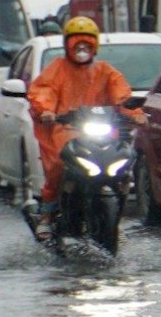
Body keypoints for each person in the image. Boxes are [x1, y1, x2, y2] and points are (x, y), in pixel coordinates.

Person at [25, 16, 134, 221]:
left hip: (101, 131)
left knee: (124, 163)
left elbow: (121, 93)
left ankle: (116, 217)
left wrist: (134, 114)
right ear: (67, 45)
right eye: (77, 44)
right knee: (58, 165)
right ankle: (48, 213)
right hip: (66, 130)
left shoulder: (105, 71)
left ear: (95, 46)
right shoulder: (57, 68)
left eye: (87, 44)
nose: (82, 49)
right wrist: (47, 110)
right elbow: (43, 91)